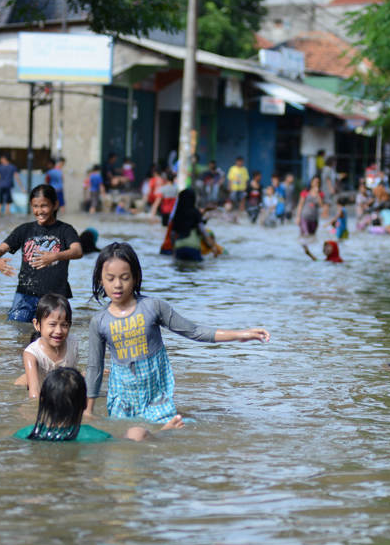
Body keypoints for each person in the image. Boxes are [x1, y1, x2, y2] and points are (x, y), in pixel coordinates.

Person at [85, 242, 269, 422]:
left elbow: (194, 331)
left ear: (135, 277)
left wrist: (240, 334)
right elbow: (95, 367)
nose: (117, 285)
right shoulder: (99, 322)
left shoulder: (153, 307)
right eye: (110, 279)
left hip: (156, 397)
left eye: (124, 278)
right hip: (122, 398)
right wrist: (88, 411)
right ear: (101, 280)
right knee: (125, 441)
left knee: (173, 431)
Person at [14, 367, 184, 443]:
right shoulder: (94, 436)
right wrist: (162, 433)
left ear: (42, 402)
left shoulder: (25, 434)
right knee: (137, 431)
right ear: (83, 404)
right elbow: (133, 439)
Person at [0, 184, 83, 322]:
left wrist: (55, 256)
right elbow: (0, 249)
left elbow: (77, 251)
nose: (39, 211)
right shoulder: (24, 230)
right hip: (24, 295)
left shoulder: (65, 230)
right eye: (35, 206)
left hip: (54, 297)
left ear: (55, 205)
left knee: (53, 333)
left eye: (44, 206)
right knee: (17, 329)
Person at [20, 294, 79, 399]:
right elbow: (34, 394)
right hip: (38, 388)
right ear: (37, 325)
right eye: (52, 324)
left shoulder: (72, 343)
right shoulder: (32, 354)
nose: (58, 331)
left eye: (64, 325)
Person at [170, 189, 219, 261]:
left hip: (179, 247)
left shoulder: (177, 215)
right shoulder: (195, 213)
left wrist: (174, 250)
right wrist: (213, 247)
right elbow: (203, 231)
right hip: (193, 247)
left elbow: (173, 234)